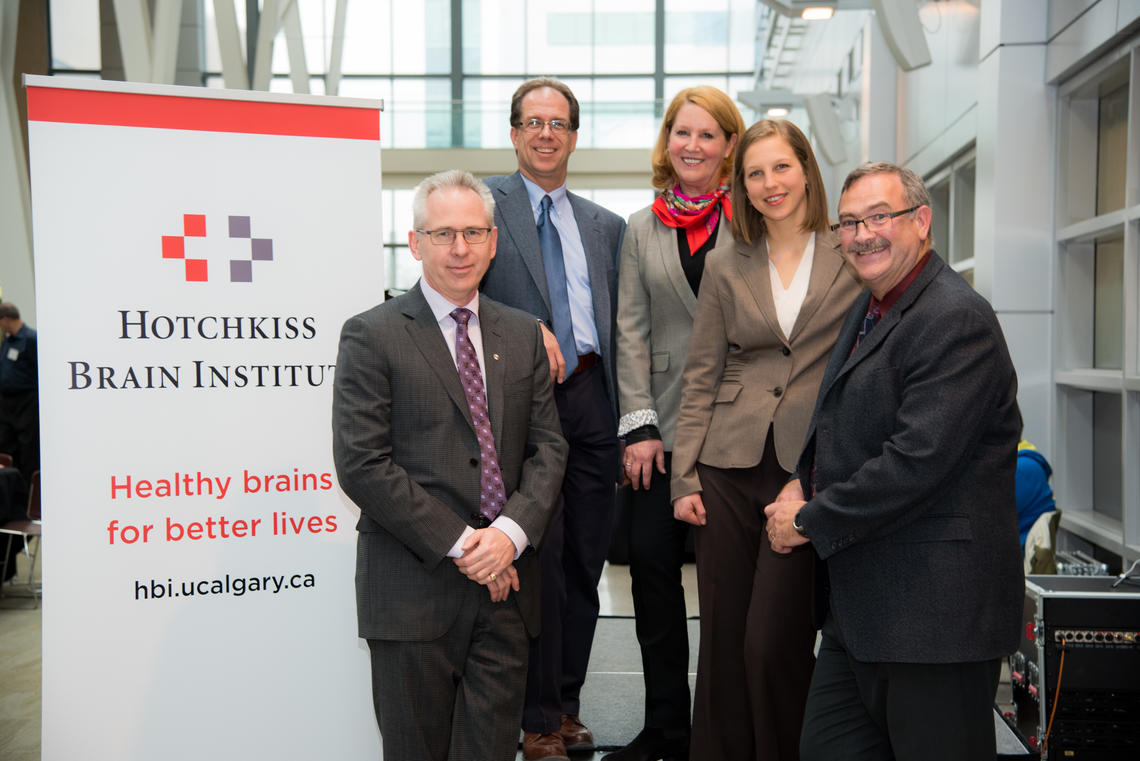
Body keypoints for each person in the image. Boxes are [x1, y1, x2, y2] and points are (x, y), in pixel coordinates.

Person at [764, 162, 1023, 761]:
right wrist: (801, 481)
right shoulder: (873, 303)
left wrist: (808, 520)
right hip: (863, 615)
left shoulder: (956, 318)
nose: (862, 234)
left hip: (936, 619)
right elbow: (840, 420)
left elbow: (916, 461)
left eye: (880, 217)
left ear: (921, 221)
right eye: (849, 222)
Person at [332, 169, 568, 761]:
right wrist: (468, 545)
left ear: (492, 240)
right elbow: (362, 464)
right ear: (415, 243)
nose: (459, 248)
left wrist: (508, 537)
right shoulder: (371, 334)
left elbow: (549, 449)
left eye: (472, 232)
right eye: (443, 234)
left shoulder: (522, 336)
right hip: (413, 592)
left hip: (507, 593)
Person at [671, 119, 861, 761]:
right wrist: (684, 476)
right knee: (722, 639)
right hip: (725, 463)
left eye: (781, 167)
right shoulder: (727, 262)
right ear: (740, 186)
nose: (769, 183)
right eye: (755, 173)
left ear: (807, 169)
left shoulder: (851, 251)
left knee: (771, 640)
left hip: (805, 471)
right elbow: (701, 373)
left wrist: (828, 468)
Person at [480, 77, 626, 761]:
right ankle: (535, 719)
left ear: (574, 135)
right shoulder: (481, 206)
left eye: (558, 122)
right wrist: (525, 327)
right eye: (533, 121)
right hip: (521, 405)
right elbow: (455, 294)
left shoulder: (606, 226)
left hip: (594, 400)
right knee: (535, 560)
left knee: (584, 563)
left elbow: (623, 323)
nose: (545, 133)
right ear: (514, 132)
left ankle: (566, 704)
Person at [609, 85, 745, 761]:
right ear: (668, 142)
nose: (692, 145)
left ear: (729, 146)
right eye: (681, 132)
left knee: (728, 588)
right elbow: (629, 331)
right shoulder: (641, 226)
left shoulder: (751, 220)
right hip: (658, 433)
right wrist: (639, 427)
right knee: (653, 577)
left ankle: (722, 730)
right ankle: (665, 726)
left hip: (739, 430)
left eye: (708, 134)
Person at [0, 302, 39, 483]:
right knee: (6, 442)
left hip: (26, 400)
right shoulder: (8, 340)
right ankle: (9, 486)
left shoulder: (31, 339)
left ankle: (26, 488)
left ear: (6, 319)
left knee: (27, 445)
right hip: (7, 402)